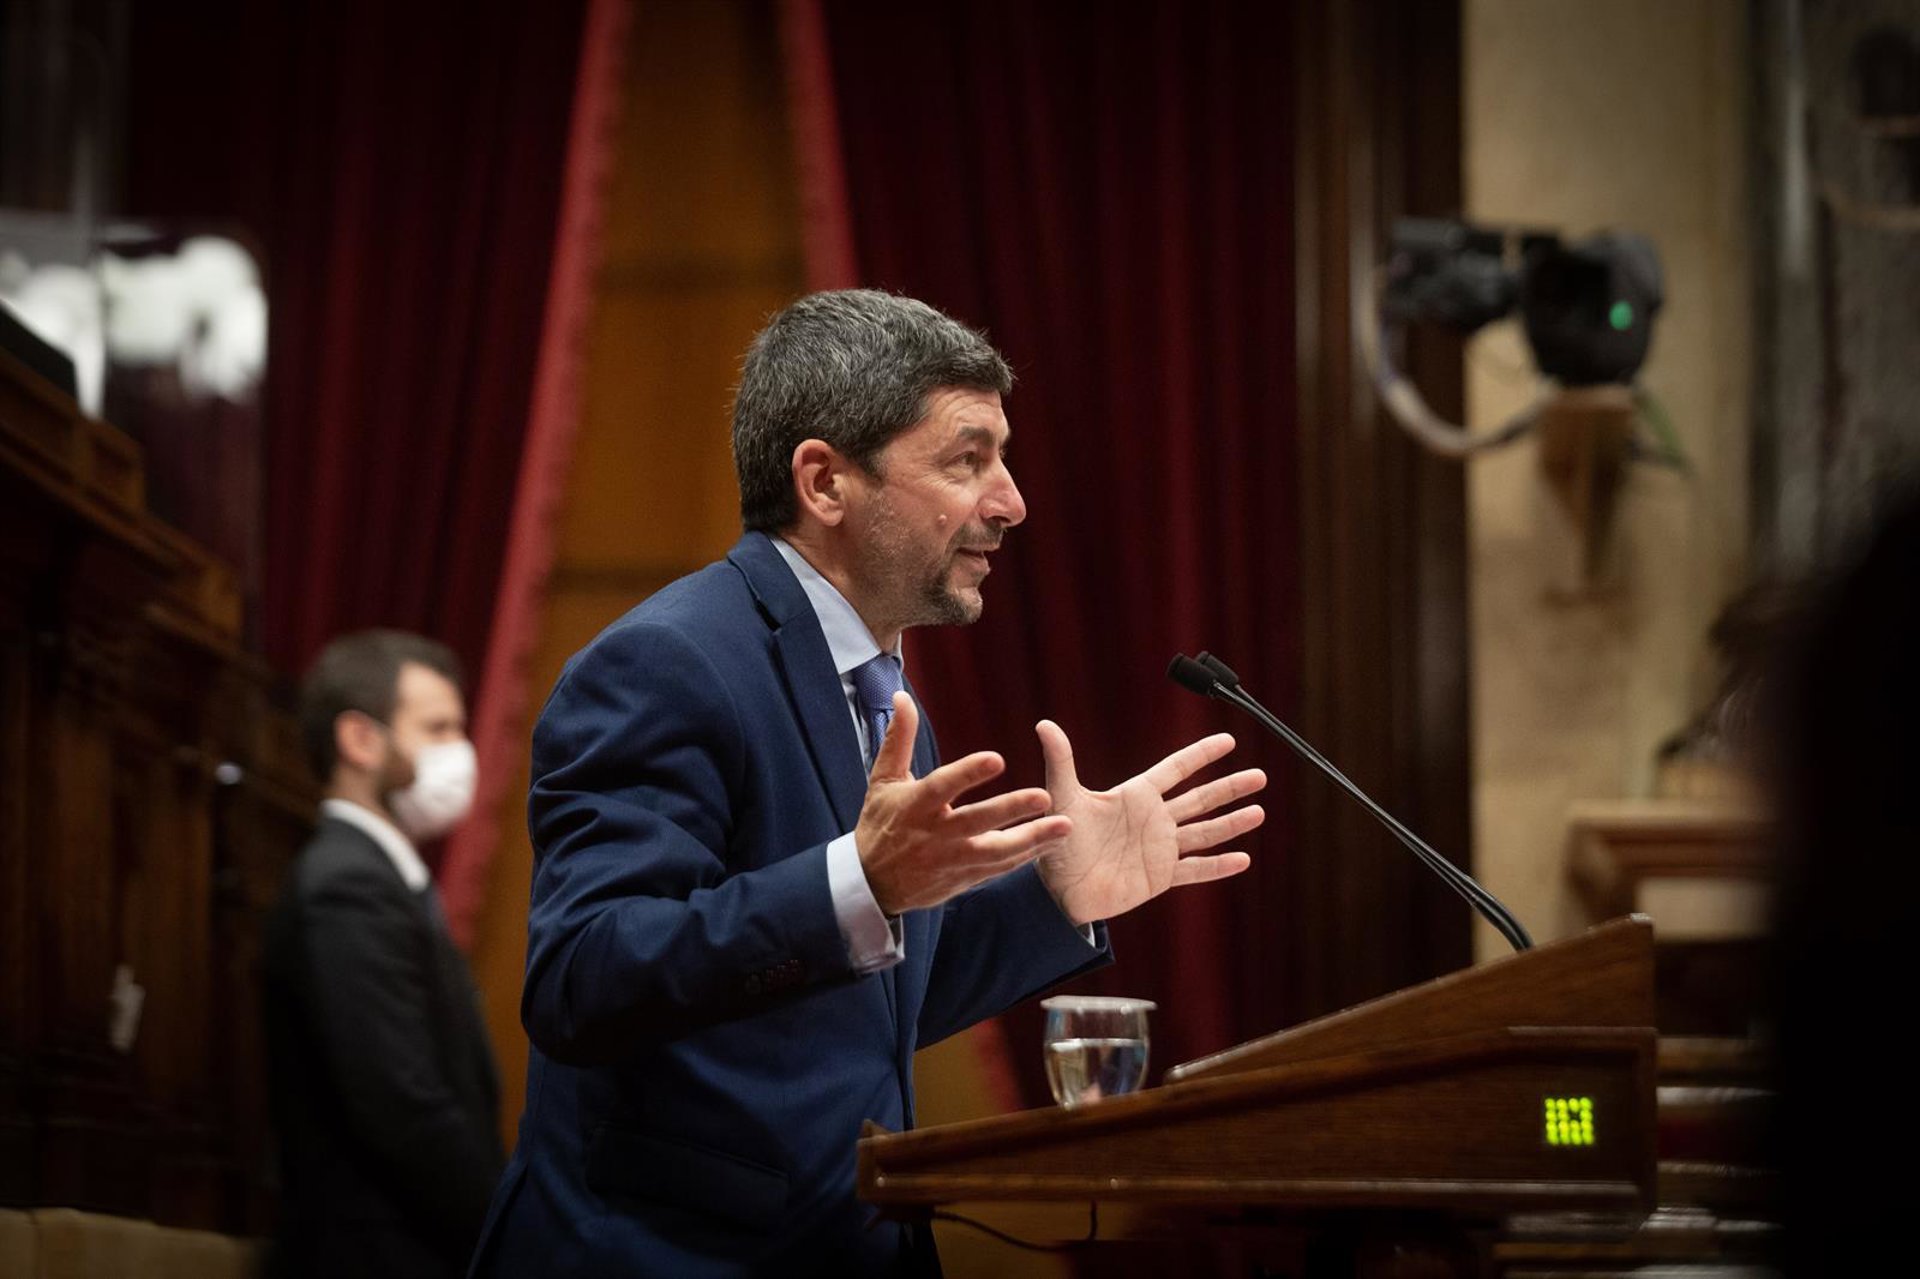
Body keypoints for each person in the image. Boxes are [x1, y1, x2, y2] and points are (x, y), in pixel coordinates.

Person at [470, 290, 1266, 1277]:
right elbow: (583, 979)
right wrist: (857, 881)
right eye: (967, 460)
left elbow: (852, 1002)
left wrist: (1054, 897)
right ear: (825, 481)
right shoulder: (668, 663)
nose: (1011, 502)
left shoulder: (879, 685)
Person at [263, 630, 504, 1279]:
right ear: (360, 739)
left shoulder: (385, 879)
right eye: (437, 728)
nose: (460, 752)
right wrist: (510, 1238)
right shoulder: (347, 884)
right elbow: (402, 1107)